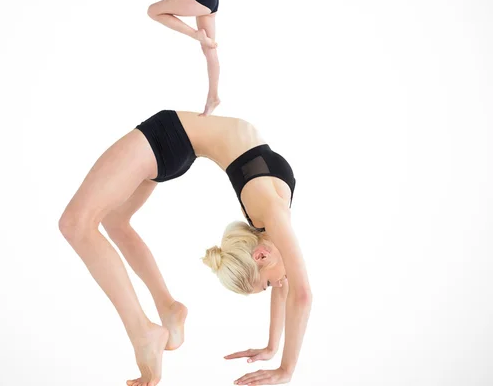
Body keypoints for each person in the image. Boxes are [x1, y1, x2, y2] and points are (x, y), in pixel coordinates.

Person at [59, 110, 312, 386]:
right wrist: (285, 367)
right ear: (261, 255)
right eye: (267, 285)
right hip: (173, 140)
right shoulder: (272, 213)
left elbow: (286, 287)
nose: (277, 285)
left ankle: (144, 332)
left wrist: (273, 348)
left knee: (76, 225)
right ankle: (167, 308)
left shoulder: (271, 222)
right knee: (106, 223)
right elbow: (300, 294)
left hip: (171, 138)